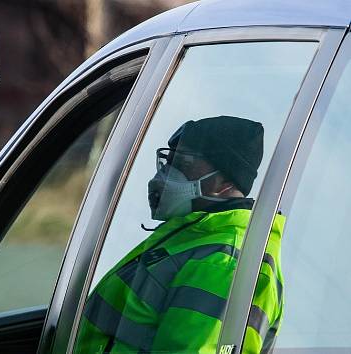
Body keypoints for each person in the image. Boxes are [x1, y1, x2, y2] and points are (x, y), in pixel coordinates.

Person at [75, 116, 284, 354]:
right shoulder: (192, 238)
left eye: (182, 164)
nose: (165, 174)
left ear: (225, 181)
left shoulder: (221, 263)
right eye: (167, 161)